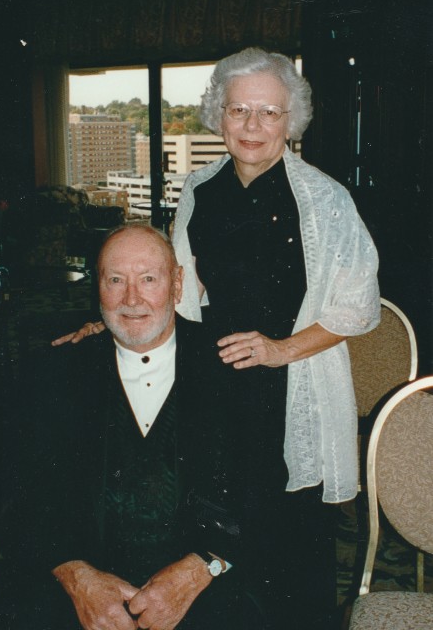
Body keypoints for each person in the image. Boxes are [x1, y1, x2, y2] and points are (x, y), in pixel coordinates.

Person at [52, 47, 380, 629]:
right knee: (218, 536)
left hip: (291, 385)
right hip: (216, 380)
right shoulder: (201, 187)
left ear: (291, 120)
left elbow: (358, 308)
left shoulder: (325, 200)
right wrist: (111, 324)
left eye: (268, 112)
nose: (252, 126)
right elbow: (174, 288)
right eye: (238, 110)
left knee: (287, 534)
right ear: (218, 115)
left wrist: (279, 349)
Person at [0, 225, 251, 630]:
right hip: (76, 594)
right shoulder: (52, 371)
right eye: (116, 280)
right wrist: (74, 574)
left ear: (177, 285)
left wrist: (204, 566)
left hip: (203, 590)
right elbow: (7, 493)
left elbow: (264, 491)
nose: (132, 299)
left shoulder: (232, 368)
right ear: (98, 286)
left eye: (149, 279)